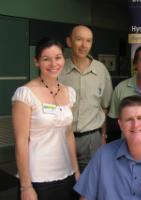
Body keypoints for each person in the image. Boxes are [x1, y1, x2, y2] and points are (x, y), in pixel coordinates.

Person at [12, 37, 79, 200]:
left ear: (64, 59)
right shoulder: (25, 93)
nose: (53, 64)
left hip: (66, 172)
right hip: (38, 177)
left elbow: (68, 134)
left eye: (58, 57)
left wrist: (76, 170)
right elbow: (21, 142)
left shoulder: (69, 92)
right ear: (37, 62)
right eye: (46, 59)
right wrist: (26, 186)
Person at [59, 25, 113, 172]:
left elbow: (104, 107)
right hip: (61, 138)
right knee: (63, 183)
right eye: (79, 40)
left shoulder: (101, 70)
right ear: (69, 42)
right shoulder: (59, 69)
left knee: (89, 186)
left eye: (88, 41)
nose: (84, 45)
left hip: (91, 140)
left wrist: (103, 135)